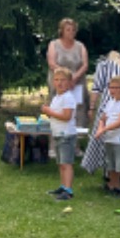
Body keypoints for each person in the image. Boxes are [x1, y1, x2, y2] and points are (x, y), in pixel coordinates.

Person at [83, 51, 120, 182]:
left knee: (103, 139)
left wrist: (92, 107)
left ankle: (109, 173)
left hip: (110, 99)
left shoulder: (103, 65)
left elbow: (96, 88)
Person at [40, 67, 77, 201]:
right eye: (56, 80)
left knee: (66, 164)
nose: (59, 83)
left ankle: (68, 190)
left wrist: (49, 112)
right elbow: (55, 115)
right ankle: (63, 186)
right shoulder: (57, 97)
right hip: (58, 133)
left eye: (63, 80)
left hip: (66, 134)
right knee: (61, 163)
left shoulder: (68, 97)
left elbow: (66, 116)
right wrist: (47, 113)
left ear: (69, 82)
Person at [93, 75, 120, 196]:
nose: (113, 90)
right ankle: (114, 187)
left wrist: (104, 129)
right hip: (109, 139)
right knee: (111, 166)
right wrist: (100, 128)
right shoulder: (110, 102)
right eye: (111, 87)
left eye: (116, 87)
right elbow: (103, 118)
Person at [46, 18, 89, 128]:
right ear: (62, 31)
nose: (71, 32)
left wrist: (74, 78)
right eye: (68, 30)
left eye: (73, 30)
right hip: (59, 82)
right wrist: (66, 77)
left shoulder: (80, 46)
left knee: (78, 109)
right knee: (58, 107)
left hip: (77, 82)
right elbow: (52, 63)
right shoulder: (54, 44)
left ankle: (78, 133)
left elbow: (85, 65)